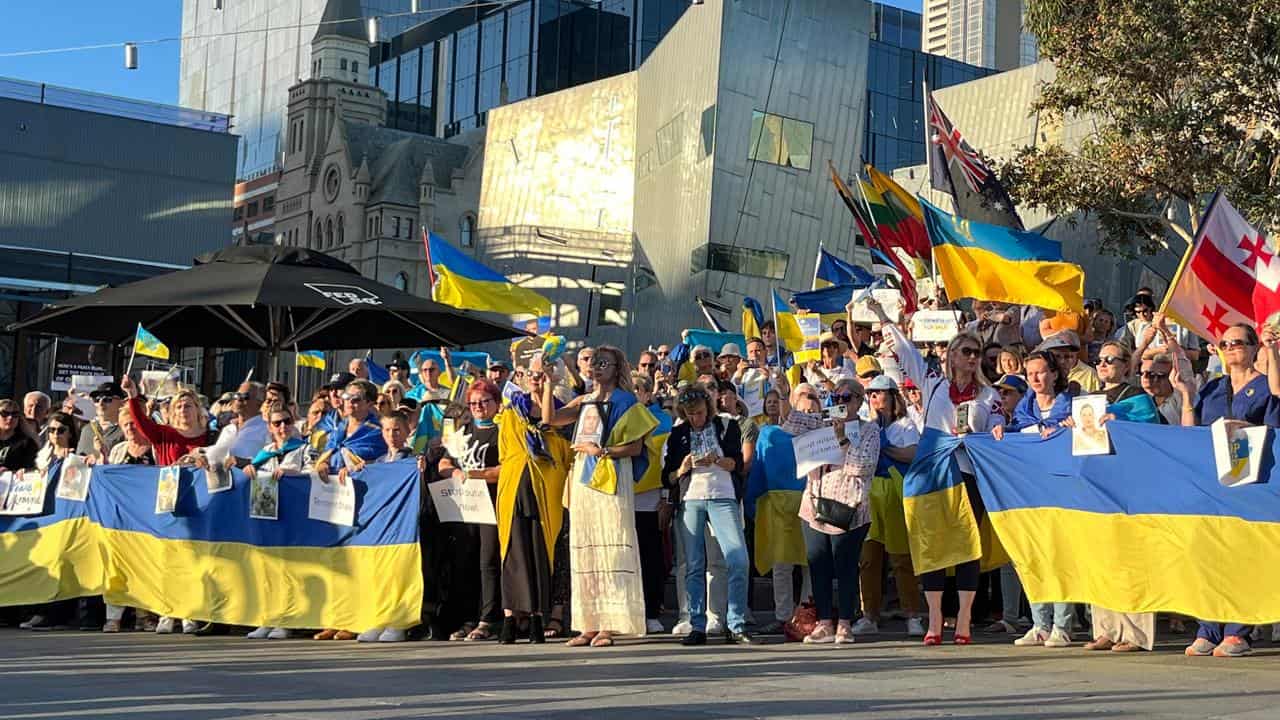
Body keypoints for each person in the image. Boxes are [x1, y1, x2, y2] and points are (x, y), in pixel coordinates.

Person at [873, 297, 1001, 647]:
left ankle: (962, 618)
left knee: (966, 546)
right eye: (965, 351)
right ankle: (933, 617)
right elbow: (905, 350)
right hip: (930, 472)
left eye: (976, 352)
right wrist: (884, 316)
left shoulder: (988, 395)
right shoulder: (933, 384)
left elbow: (999, 420)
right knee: (930, 543)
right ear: (951, 356)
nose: (972, 357)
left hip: (966, 472)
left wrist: (998, 428)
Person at [1176, 323, 1280, 658]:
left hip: (1253, 483)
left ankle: (1238, 630)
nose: (1231, 347)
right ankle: (1208, 627)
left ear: (1253, 348)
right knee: (1209, 555)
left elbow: (1276, 421)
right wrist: (1188, 398)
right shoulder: (1213, 388)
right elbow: (1190, 434)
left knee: (1243, 555)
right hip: (1213, 484)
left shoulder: (1266, 386)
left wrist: (1273, 352)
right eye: (1225, 343)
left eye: (1238, 342)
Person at [545, 345, 656, 647]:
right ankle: (588, 624)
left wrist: (603, 450)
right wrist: (546, 383)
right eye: (594, 362)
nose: (597, 367)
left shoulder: (626, 401)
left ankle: (610, 623)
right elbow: (551, 419)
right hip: (583, 478)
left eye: (604, 363)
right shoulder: (584, 401)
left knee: (612, 549)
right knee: (586, 549)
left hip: (611, 475)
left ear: (617, 368)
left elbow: (635, 448)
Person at [994, 351, 1075, 648]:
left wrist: (1067, 431)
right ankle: (1040, 623)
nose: (1036, 379)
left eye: (1041, 372)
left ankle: (1063, 625)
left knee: (1059, 558)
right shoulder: (1024, 409)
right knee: (1033, 557)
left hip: (1061, 493)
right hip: (1030, 493)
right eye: (1030, 375)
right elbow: (1019, 433)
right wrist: (1004, 430)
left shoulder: (1070, 408)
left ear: (1054, 374)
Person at [662, 385, 751, 646]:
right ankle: (697, 624)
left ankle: (735, 623)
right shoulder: (678, 433)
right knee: (693, 564)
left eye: (699, 413)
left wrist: (723, 461)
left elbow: (738, 463)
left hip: (723, 496)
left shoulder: (727, 426)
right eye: (690, 414)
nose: (696, 418)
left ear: (708, 409)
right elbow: (666, 477)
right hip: (691, 500)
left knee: (738, 559)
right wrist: (682, 469)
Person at [494, 360, 572, 645]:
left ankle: (539, 616)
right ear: (523, 378)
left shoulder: (562, 412)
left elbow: (565, 453)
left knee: (541, 553)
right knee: (512, 553)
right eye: (532, 375)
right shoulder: (512, 408)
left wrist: (550, 389)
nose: (536, 379)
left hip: (546, 489)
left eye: (542, 375)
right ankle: (509, 619)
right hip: (515, 484)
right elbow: (504, 451)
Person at [797, 379, 878, 644]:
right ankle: (824, 622)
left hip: (848, 507)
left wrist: (842, 438)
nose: (841, 402)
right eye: (836, 396)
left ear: (859, 401)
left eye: (847, 397)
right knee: (818, 563)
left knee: (844, 565)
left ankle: (845, 622)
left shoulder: (868, 430)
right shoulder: (821, 425)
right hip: (815, 502)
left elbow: (861, 467)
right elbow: (791, 429)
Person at [855, 375, 924, 638]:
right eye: (870, 393)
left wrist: (886, 448)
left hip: (895, 490)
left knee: (901, 556)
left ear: (893, 396)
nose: (874, 398)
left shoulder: (905, 425)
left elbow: (912, 453)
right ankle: (869, 614)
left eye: (879, 393)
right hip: (871, 491)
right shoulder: (866, 424)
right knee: (869, 557)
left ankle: (913, 614)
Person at [439, 380, 504, 642]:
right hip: (464, 505)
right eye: (473, 403)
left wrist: (474, 474)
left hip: (491, 503)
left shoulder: (501, 431)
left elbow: (506, 468)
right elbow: (445, 462)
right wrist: (455, 472)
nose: (478, 407)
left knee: (488, 561)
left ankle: (489, 618)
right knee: (464, 561)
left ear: (496, 404)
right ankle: (468, 617)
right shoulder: (463, 430)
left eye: (484, 402)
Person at [244, 406, 308, 641]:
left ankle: (286, 620)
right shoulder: (263, 454)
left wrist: (296, 475)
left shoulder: (303, 449)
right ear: (270, 428)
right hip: (266, 518)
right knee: (266, 570)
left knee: (289, 571)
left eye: (286, 422)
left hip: (293, 518)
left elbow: (315, 474)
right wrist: (248, 469)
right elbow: (250, 477)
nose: (282, 427)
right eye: (277, 423)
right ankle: (267, 617)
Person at [353, 411, 418, 644]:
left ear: (407, 432)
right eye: (388, 430)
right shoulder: (378, 463)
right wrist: (355, 471)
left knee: (398, 574)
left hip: (402, 528)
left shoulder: (412, 459)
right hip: (380, 529)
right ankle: (378, 618)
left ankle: (397, 622)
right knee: (378, 574)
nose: (392, 435)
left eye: (397, 430)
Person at [22, 411, 81, 631]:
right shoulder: (43, 454)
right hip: (43, 514)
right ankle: (40, 611)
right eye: (52, 430)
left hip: (66, 514)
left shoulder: (75, 454)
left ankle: (60, 614)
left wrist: (76, 459)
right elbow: (32, 476)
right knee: (42, 563)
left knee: (62, 563)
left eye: (61, 430)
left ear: (70, 432)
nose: (56, 434)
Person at [121, 377, 208, 467]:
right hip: (170, 481)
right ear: (174, 411)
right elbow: (140, 421)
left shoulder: (212, 436)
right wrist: (131, 393)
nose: (183, 410)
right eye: (178, 407)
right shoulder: (163, 434)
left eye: (187, 406)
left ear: (197, 409)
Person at [77, 382, 126, 463]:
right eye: (96, 399)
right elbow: (78, 461)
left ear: (122, 403)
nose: (100, 403)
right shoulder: (87, 429)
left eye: (107, 399)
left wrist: (100, 459)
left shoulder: (127, 429)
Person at [0, 398, 39, 472]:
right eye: (4, 414)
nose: (10, 418)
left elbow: (32, 469)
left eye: (15, 414)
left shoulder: (27, 443)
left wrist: (11, 472)